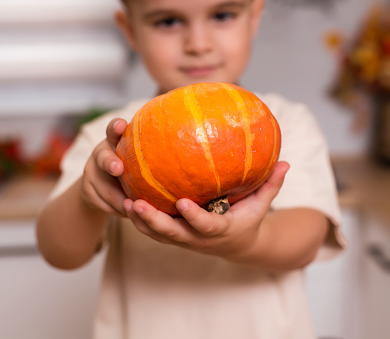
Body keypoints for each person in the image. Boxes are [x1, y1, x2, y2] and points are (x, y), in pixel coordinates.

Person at [36, 0, 346, 338]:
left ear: (254, 17)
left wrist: (242, 242)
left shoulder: (284, 122)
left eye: (222, 15)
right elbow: (59, 253)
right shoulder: (109, 138)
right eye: (168, 21)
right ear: (130, 31)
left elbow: (306, 239)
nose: (199, 44)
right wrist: (88, 196)